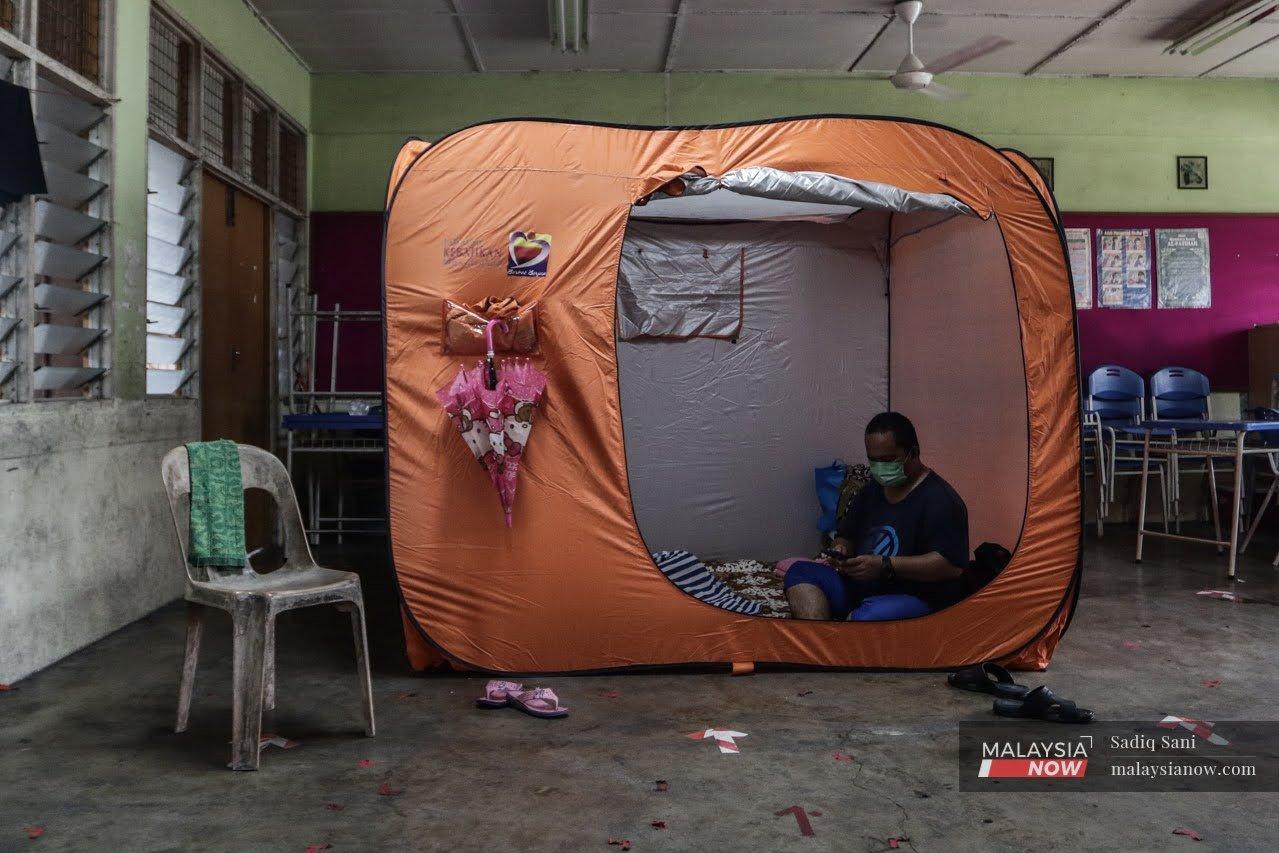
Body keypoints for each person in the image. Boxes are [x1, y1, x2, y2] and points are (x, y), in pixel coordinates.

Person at [783, 412, 969, 621]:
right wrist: (841, 549)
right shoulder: (872, 490)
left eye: (888, 460)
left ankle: (843, 638)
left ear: (913, 453)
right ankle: (818, 646)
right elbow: (846, 535)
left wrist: (885, 566)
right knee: (799, 572)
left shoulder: (941, 500)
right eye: (874, 461)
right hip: (861, 588)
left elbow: (950, 567)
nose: (880, 468)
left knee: (866, 618)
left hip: (914, 596)